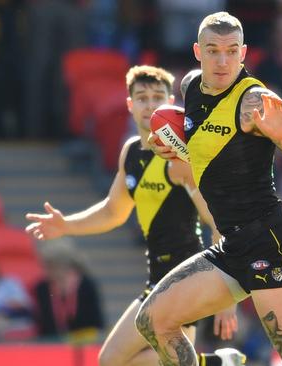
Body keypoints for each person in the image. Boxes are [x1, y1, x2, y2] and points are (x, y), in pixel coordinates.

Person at [137, 12, 282, 366]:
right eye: (212, 51)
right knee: (153, 321)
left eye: (230, 51)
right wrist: (177, 147)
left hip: (270, 242)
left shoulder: (254, 99)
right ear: (197, 51)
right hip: (231, 246)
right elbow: (205, 149)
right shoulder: (191, 87)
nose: (222, 61)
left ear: (244, 53)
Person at [25, 65, 244, 366]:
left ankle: (217, 363)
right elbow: (114, 212)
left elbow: (218, 219)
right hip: (158, 279)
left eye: (158, 97)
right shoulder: (131, 152)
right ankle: (219, 363)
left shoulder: (179, 156)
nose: (150, 104)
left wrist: (227, 294)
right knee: (127, 361)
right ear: (130, 104)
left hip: (187, 276)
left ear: (171, 103)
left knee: (114, 361)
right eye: (142, 97)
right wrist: (66, 225)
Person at [34, 238, 104, 342]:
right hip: (52, 346)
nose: (47, 271)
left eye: (52, 266)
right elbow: (42, 324)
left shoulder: (86, 285)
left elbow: (97, 322)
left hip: (85, 343)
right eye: (47, 266)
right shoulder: (42, 288)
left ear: (65, 265)